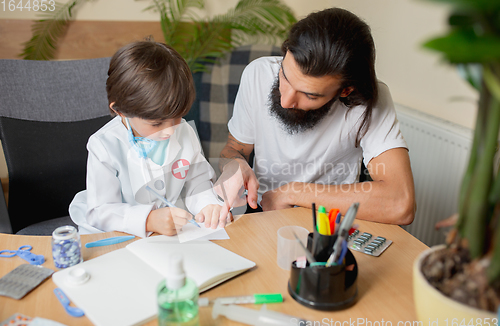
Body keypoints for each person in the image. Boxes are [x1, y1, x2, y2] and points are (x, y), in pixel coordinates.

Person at [215, 8, 416, 226]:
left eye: (309, 95)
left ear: (346, 91)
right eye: (285, 75)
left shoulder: (368, 102)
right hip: (263, 211)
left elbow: (400, 204)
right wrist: (234, 165)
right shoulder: (257, 74)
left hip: (328, 221)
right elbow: (233, 148)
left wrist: (294, 193)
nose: (286, 101)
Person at [69, 40, 227, 238]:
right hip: (117, 235)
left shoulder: (184, 131)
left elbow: (198, 182)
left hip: (171, 235)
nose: (170, 131)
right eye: (156, 123)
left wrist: (208, 206)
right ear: (119, 111)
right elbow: (101, 211)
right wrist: (148, 220)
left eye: (176, 117)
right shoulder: (104, 145)